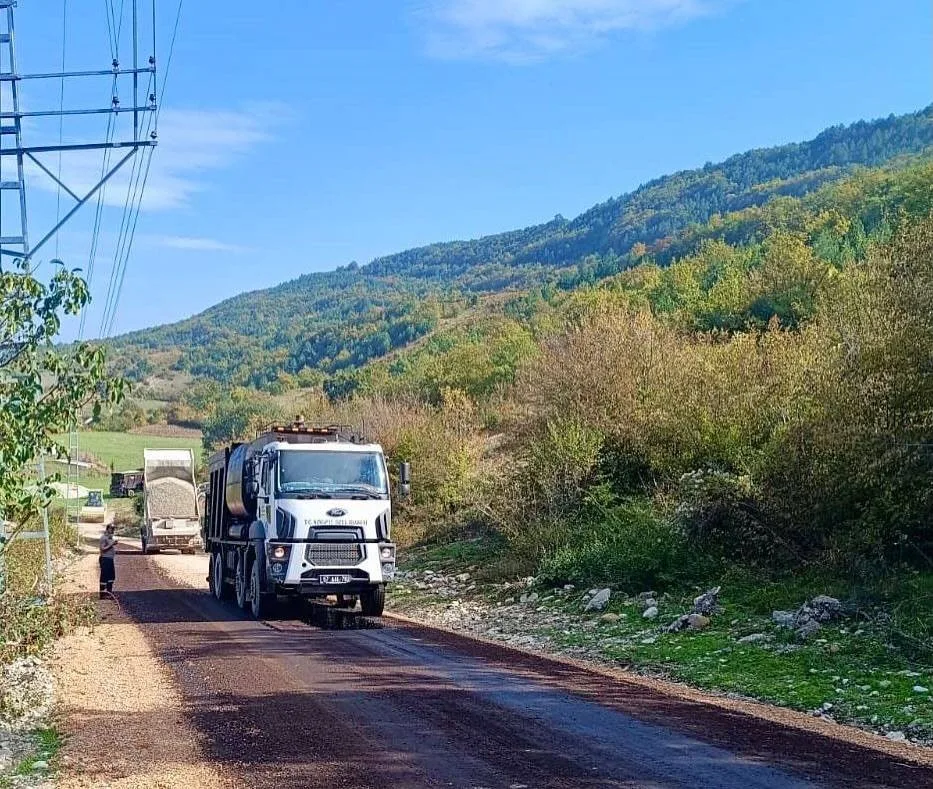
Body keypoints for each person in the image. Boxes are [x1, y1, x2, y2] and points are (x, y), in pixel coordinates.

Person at [99, 523, 117, 600]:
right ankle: (102, 594)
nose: (113, 530)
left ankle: (109, 592)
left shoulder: (110, 538)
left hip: (110, 559)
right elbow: (102, 549)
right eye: (111, 528)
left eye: (113, 529)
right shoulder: (103, 538)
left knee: (111, 576)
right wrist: (111, 544)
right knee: (104, 576)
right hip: (105, 559)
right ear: (107, 529)